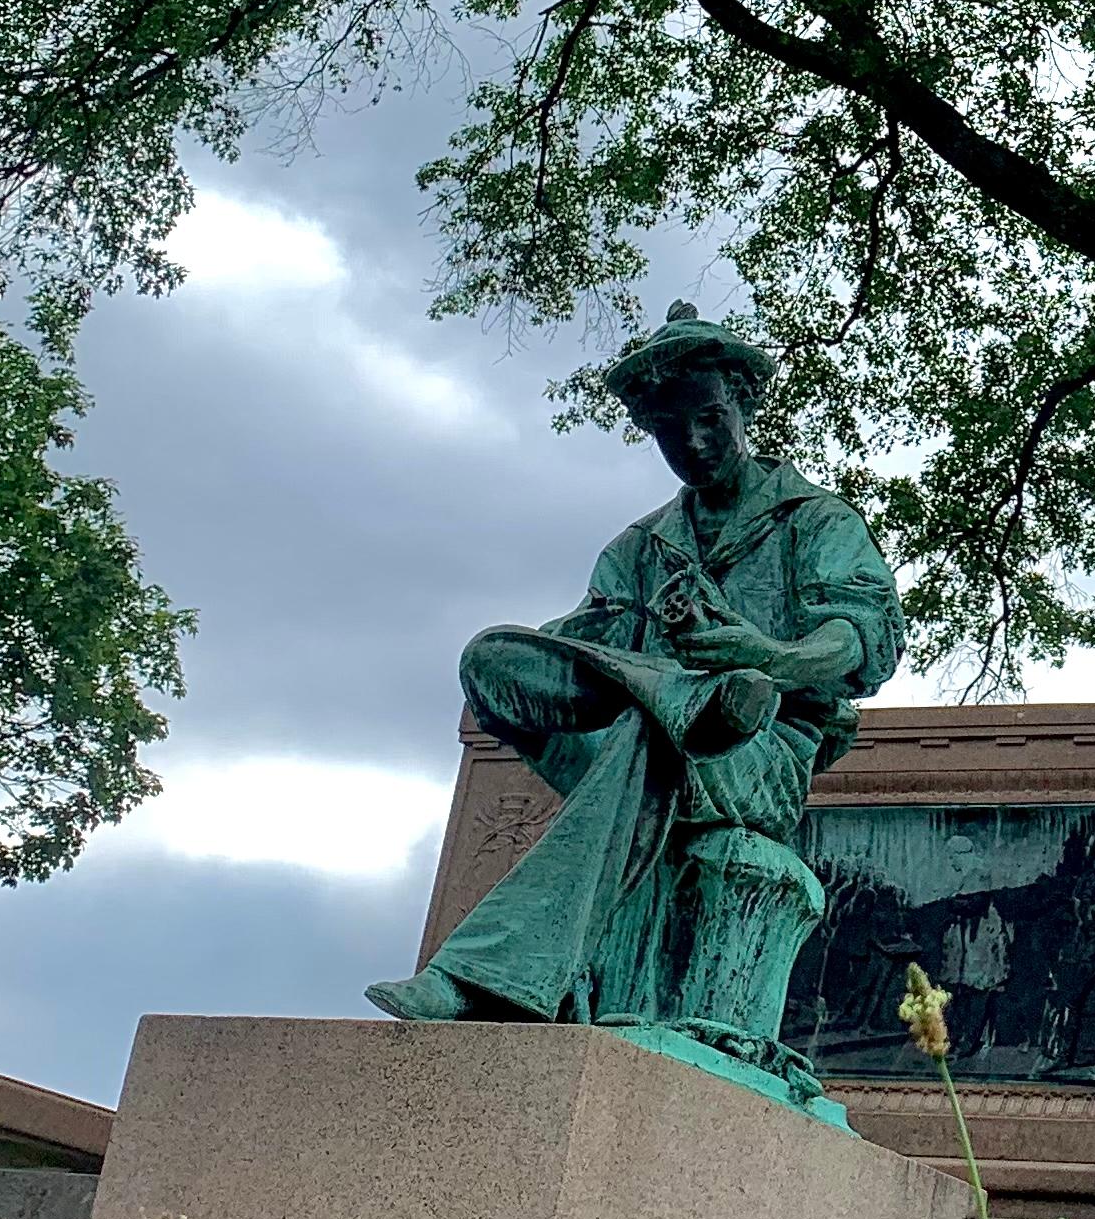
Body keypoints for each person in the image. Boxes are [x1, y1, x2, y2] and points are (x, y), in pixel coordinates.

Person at [367, 305, 901, 1115]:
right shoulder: (638, 547)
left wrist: (764, 657)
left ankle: (478, 973)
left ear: (743, 407)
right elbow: (578, 646)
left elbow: (860, 641)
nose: (693, 443)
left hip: (761, 752)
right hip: (650, 728)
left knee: (656, 735)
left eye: (709, 418)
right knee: (492, 657)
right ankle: (686, 701)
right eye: (668, 430)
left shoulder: (815, 521)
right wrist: (593, 661)